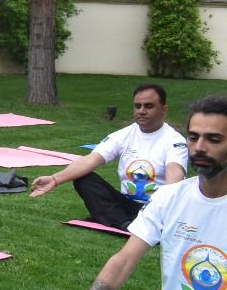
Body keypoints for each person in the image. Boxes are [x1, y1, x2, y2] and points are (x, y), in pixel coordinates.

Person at [55, 94, 227, 290]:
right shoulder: (169, 198)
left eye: (213, 139)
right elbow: (124, 259)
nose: (200, 148)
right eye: (194, 137)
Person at [30, 83, 188, 229]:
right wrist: (55, 179)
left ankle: (122, 221)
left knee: (167, 201)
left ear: (164, 109)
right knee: (84, 179)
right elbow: (91, 160)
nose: (141, 111)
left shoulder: (174, 141)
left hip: (156, 207)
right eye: (137, 106)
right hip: (126, 204)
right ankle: (123, 223)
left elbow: (174, 181)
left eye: (149, 106)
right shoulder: (124, 135)